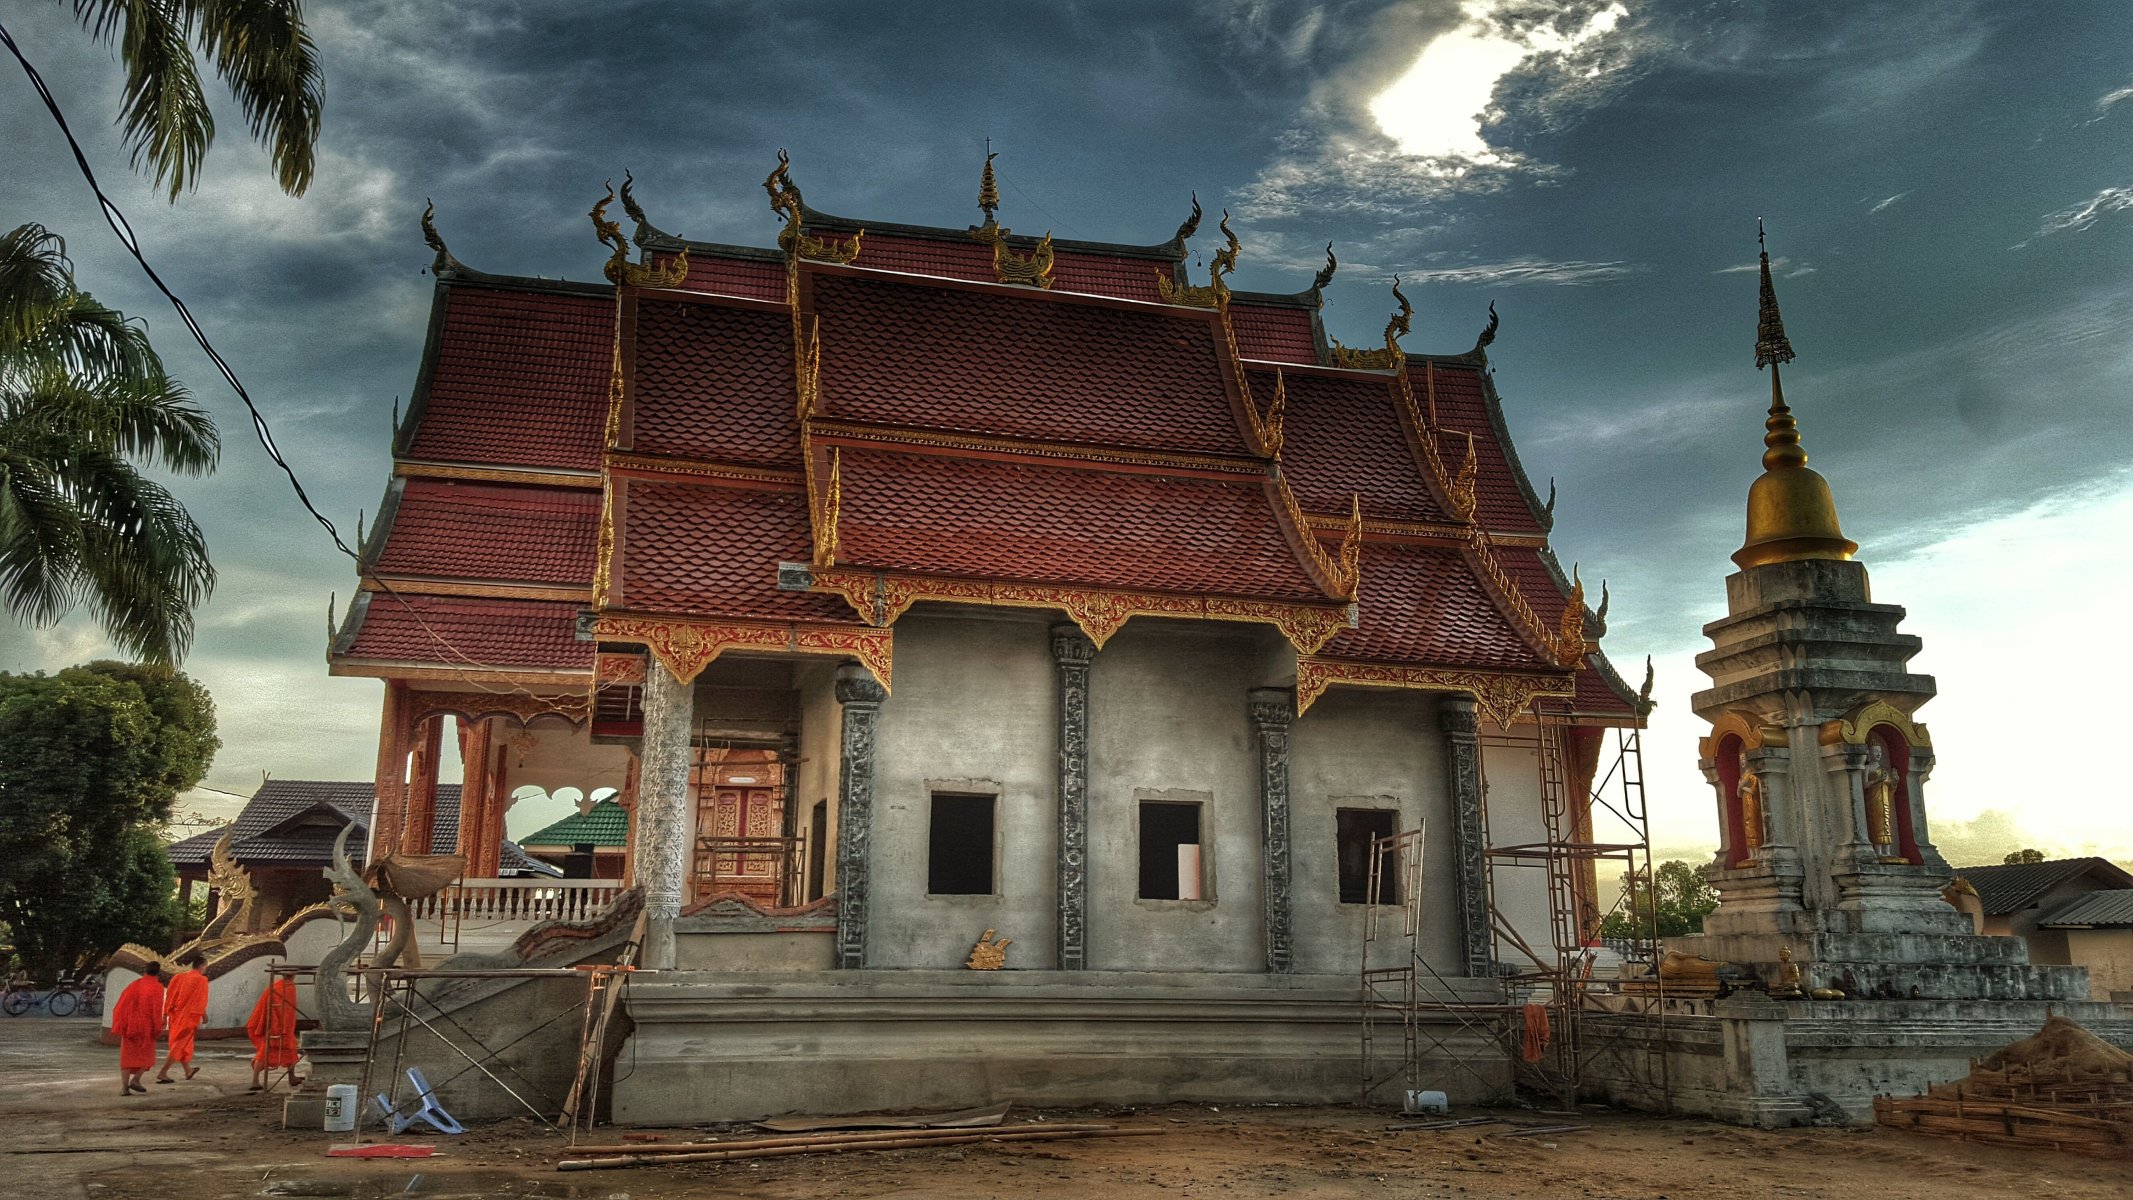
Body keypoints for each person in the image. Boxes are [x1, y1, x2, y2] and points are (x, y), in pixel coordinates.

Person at [110, 963, 166, 1096]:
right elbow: (156, 1010)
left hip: (130, 1026)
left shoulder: (135, 984)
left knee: (127, 1057)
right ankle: (136, 1079)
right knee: (147, 1056)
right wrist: (158, 1026)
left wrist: (121, 1023)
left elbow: (121, 1004)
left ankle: (124, 1088)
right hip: (146, 1027)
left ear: (144, 971)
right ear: (158, 973)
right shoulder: (157, 987)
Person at [156, 954, 209, 1083]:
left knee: (181, 1044)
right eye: (206, 966)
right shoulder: (201, 980)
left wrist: (165, 1015)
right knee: (179, 1045)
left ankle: (188, 1071)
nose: (206, 969)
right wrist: (204, 1015)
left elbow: (170, 997)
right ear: (202, 966)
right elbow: (199, 1001)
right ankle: (163, 1072)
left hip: (175, 1016)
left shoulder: (178, 977)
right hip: (189, 1017)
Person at [246, 974, 302, 1092]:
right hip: (283, 1027)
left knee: (266, 1053)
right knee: (288, 1050)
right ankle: (291, 1076)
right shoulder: (290, 987)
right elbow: (289, 1011)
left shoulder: (275, 986)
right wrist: (285, 1026)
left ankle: (256, 1080)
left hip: (272, 1024)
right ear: (294, 976)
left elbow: (265, 1005)